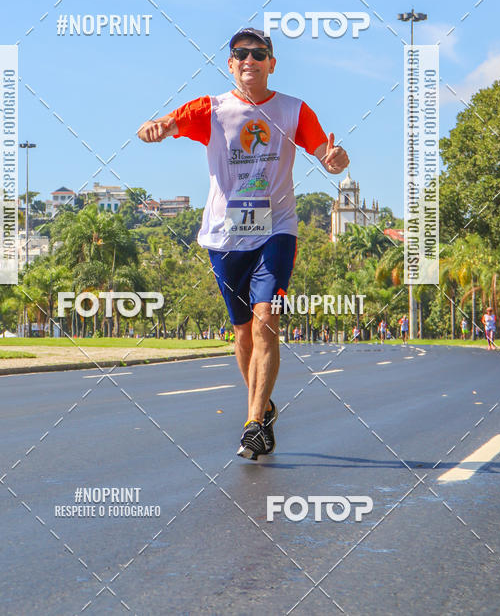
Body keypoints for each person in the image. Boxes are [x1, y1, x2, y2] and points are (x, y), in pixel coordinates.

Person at [137, 27, 349, 460]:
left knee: (266, 320)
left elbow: (326, 154)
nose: (249, 60)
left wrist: (335, 160)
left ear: (272, 63)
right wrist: (153, 129)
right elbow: (154, 126)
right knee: (242, 333)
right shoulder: (211, 110)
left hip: (277, 230)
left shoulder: (293, 111)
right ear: (230, 64)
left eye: (258, 53)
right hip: (225, 236)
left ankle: (253, 423)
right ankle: (264, 406)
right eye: (240, 54)